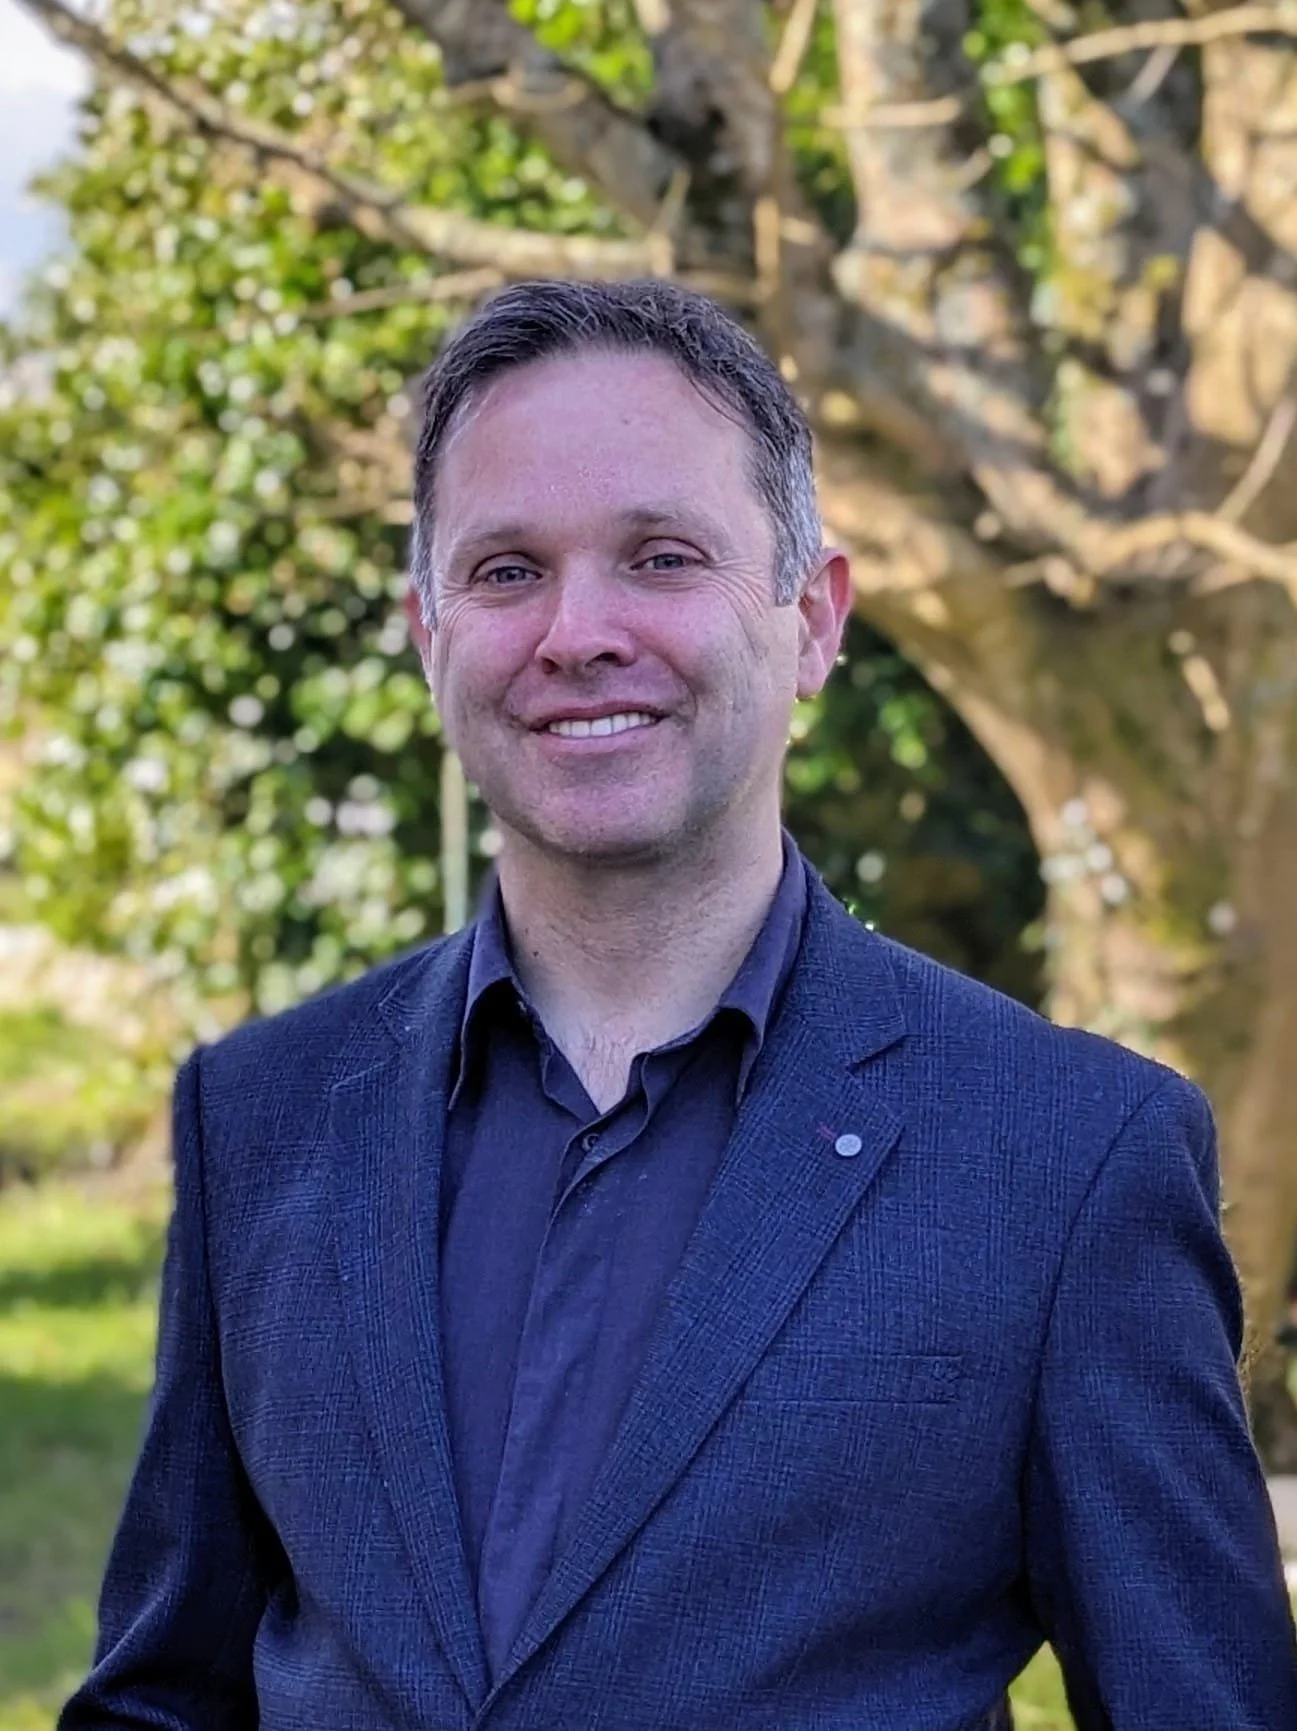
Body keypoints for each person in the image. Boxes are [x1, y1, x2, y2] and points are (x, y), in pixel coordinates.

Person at [63, 279, 1296, 1731]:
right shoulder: (261, 1117)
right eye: (506, 570)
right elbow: (165, 1694)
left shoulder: (1067, 1158)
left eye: (660, 555)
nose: (577, 631)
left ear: (814, 621)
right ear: (427, 630)